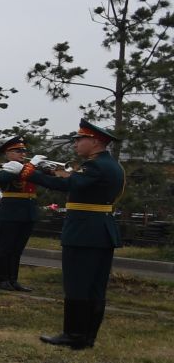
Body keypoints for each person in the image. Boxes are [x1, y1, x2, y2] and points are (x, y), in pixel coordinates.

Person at [32, 118, 126, 349]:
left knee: (77, 284)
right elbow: (77, 181)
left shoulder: (94, 166)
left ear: (94, 141)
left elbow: (68, 185)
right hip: (101, 229)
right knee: (95, 286)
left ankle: (73, 335)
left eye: (79, 139)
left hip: (84, 231)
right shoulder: (112, 165)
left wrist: (30, 174)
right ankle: (87, 336)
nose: (75, 144)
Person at [0, 136, 40, 291]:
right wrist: (29, 166)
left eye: (23, 151)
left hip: (28, 212)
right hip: (10, 212)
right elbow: (2, 178)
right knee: (5, 247)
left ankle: (13, 280)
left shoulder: (29, 167)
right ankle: (2, 279)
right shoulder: (1, 167)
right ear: (8, 153)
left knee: (17, 249)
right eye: (18, 151)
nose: (22, 153)